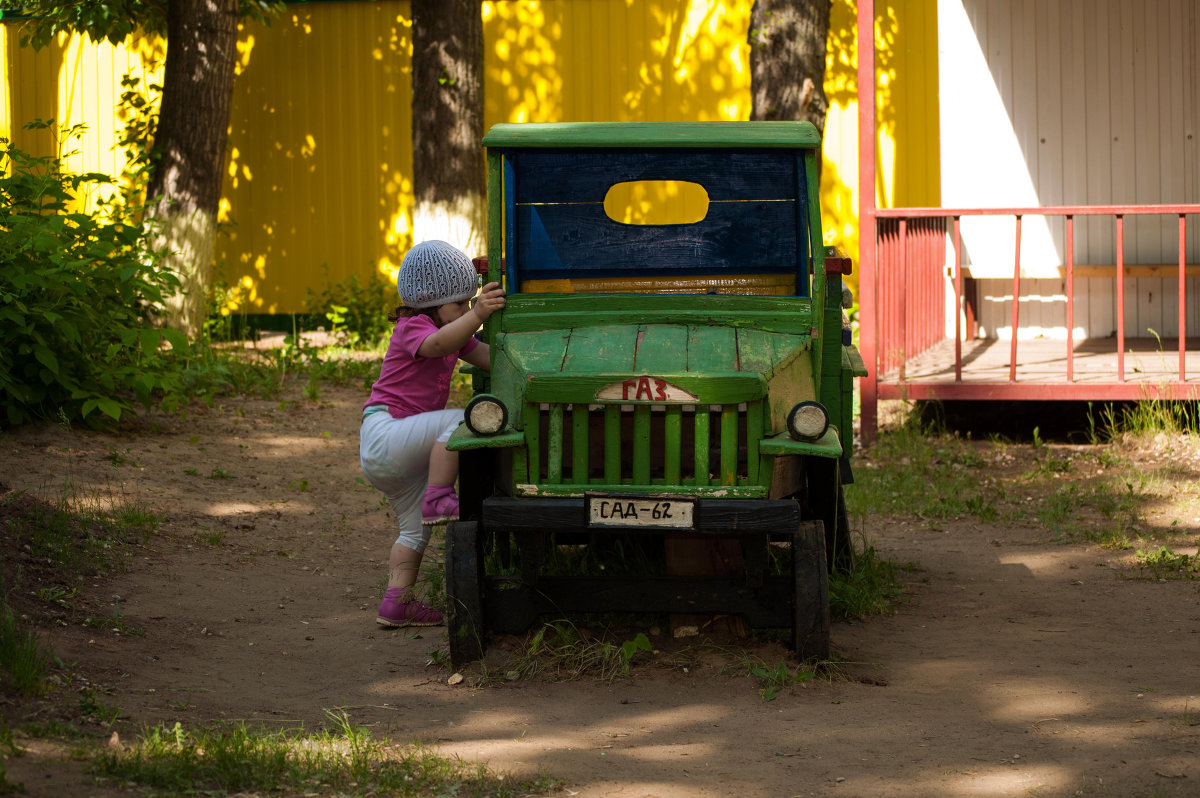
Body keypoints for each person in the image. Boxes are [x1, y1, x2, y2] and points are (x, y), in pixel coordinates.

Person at [359, 240, 505, 627]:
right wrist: (475, 314)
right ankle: (440, 496)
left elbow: (491, 358)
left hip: (400, 451)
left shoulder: (451, 330)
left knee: (413, 532)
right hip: (385, 432)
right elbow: (440, 342)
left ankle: (396, 604)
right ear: (431, 303)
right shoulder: (414, 327)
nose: (464, 311)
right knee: (460, 420)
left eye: (466, 303)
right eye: (458, 305)